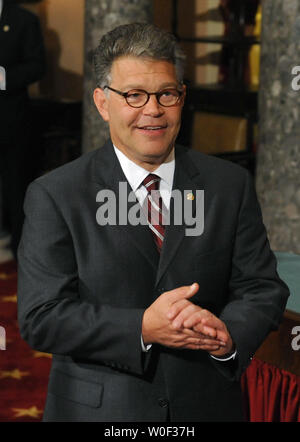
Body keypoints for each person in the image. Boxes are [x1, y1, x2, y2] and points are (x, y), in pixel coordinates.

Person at [17, 23, 289, 422]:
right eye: (134, 95)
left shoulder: (228, 185)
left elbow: (262, 287)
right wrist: (142, 327)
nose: (153, 110)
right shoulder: (56, 194)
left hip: (208, 405)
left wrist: (227, 336)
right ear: (102, 102)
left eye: (167, 94)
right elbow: (41, 317)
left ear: (182, 97)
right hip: (101, 412)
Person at [0, 0, 45, 257]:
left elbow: (37, 66)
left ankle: (21, 252)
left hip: (11, 120)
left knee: (16, 186)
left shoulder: (24, 20)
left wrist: (3, 77)